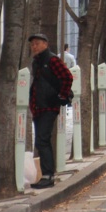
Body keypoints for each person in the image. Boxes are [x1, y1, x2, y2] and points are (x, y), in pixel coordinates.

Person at [28, 33, 74, 189]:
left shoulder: (52, 60)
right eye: (32, 44)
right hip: (38, 106)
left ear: (45, 44)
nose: (34, 46)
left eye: (37, 43)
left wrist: (60, 95)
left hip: (49, 105)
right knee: (41, 141)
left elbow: (67, 77)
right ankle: (46, 174)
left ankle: (48, 175)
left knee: (42, 140)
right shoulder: (36, 62)